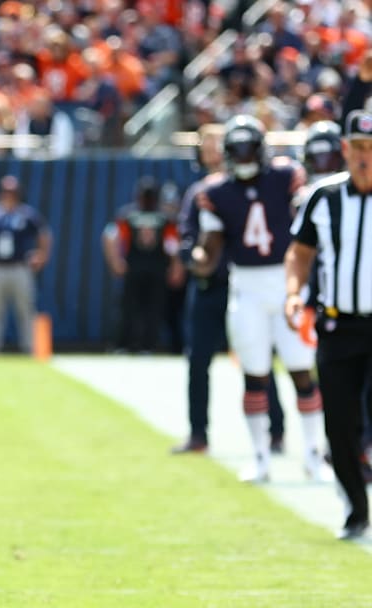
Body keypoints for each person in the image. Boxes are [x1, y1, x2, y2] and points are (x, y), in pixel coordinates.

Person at [190, 114, 328, 483]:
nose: (243, 155)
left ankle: (313, 455)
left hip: (287, 283)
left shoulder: (286, 176)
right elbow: (210, 246)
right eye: (236, 149)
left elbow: (307, 221)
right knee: (254, 375)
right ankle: (261, 457)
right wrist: (199, 259)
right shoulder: (215, 192)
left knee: (302, 370)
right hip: (246, 286)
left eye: (248, 147)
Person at [172, 124, 286, 454]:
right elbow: (188, 236)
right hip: (210, 286)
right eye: (206, 145)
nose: (212, 152)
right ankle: (198, 433)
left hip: (246, 284)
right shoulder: (202, 192)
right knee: (198, 360)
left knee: (258, 357)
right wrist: (194, 257)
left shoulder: (255, 187)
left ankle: (276, 430)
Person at [284, 109, 372, 540]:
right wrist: (293, 293)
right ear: (344, 150)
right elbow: (299, 253)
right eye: (358, 147)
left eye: (371, 148)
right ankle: (356, 508)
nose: (365, 157)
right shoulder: (323, 197)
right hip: (337, 327)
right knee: (338, 423)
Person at [0, 174, 51, 354]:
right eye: (6, 191)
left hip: (20, 267)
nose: (9, 195)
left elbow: (44, 234)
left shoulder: (26, 214)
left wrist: (42, 255)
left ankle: (30, 348)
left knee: (25, 309)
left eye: (13, 192)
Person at [102, 176, 181, 353]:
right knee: (137, 307)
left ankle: (135, 345)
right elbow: (174, 245)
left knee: (145, 307)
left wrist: (115, 260)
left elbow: (173, 244)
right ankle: (135, 345)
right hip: (147, 267)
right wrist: (115, 260)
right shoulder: (157, 217)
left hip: (146, 267)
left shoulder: (131, 215)